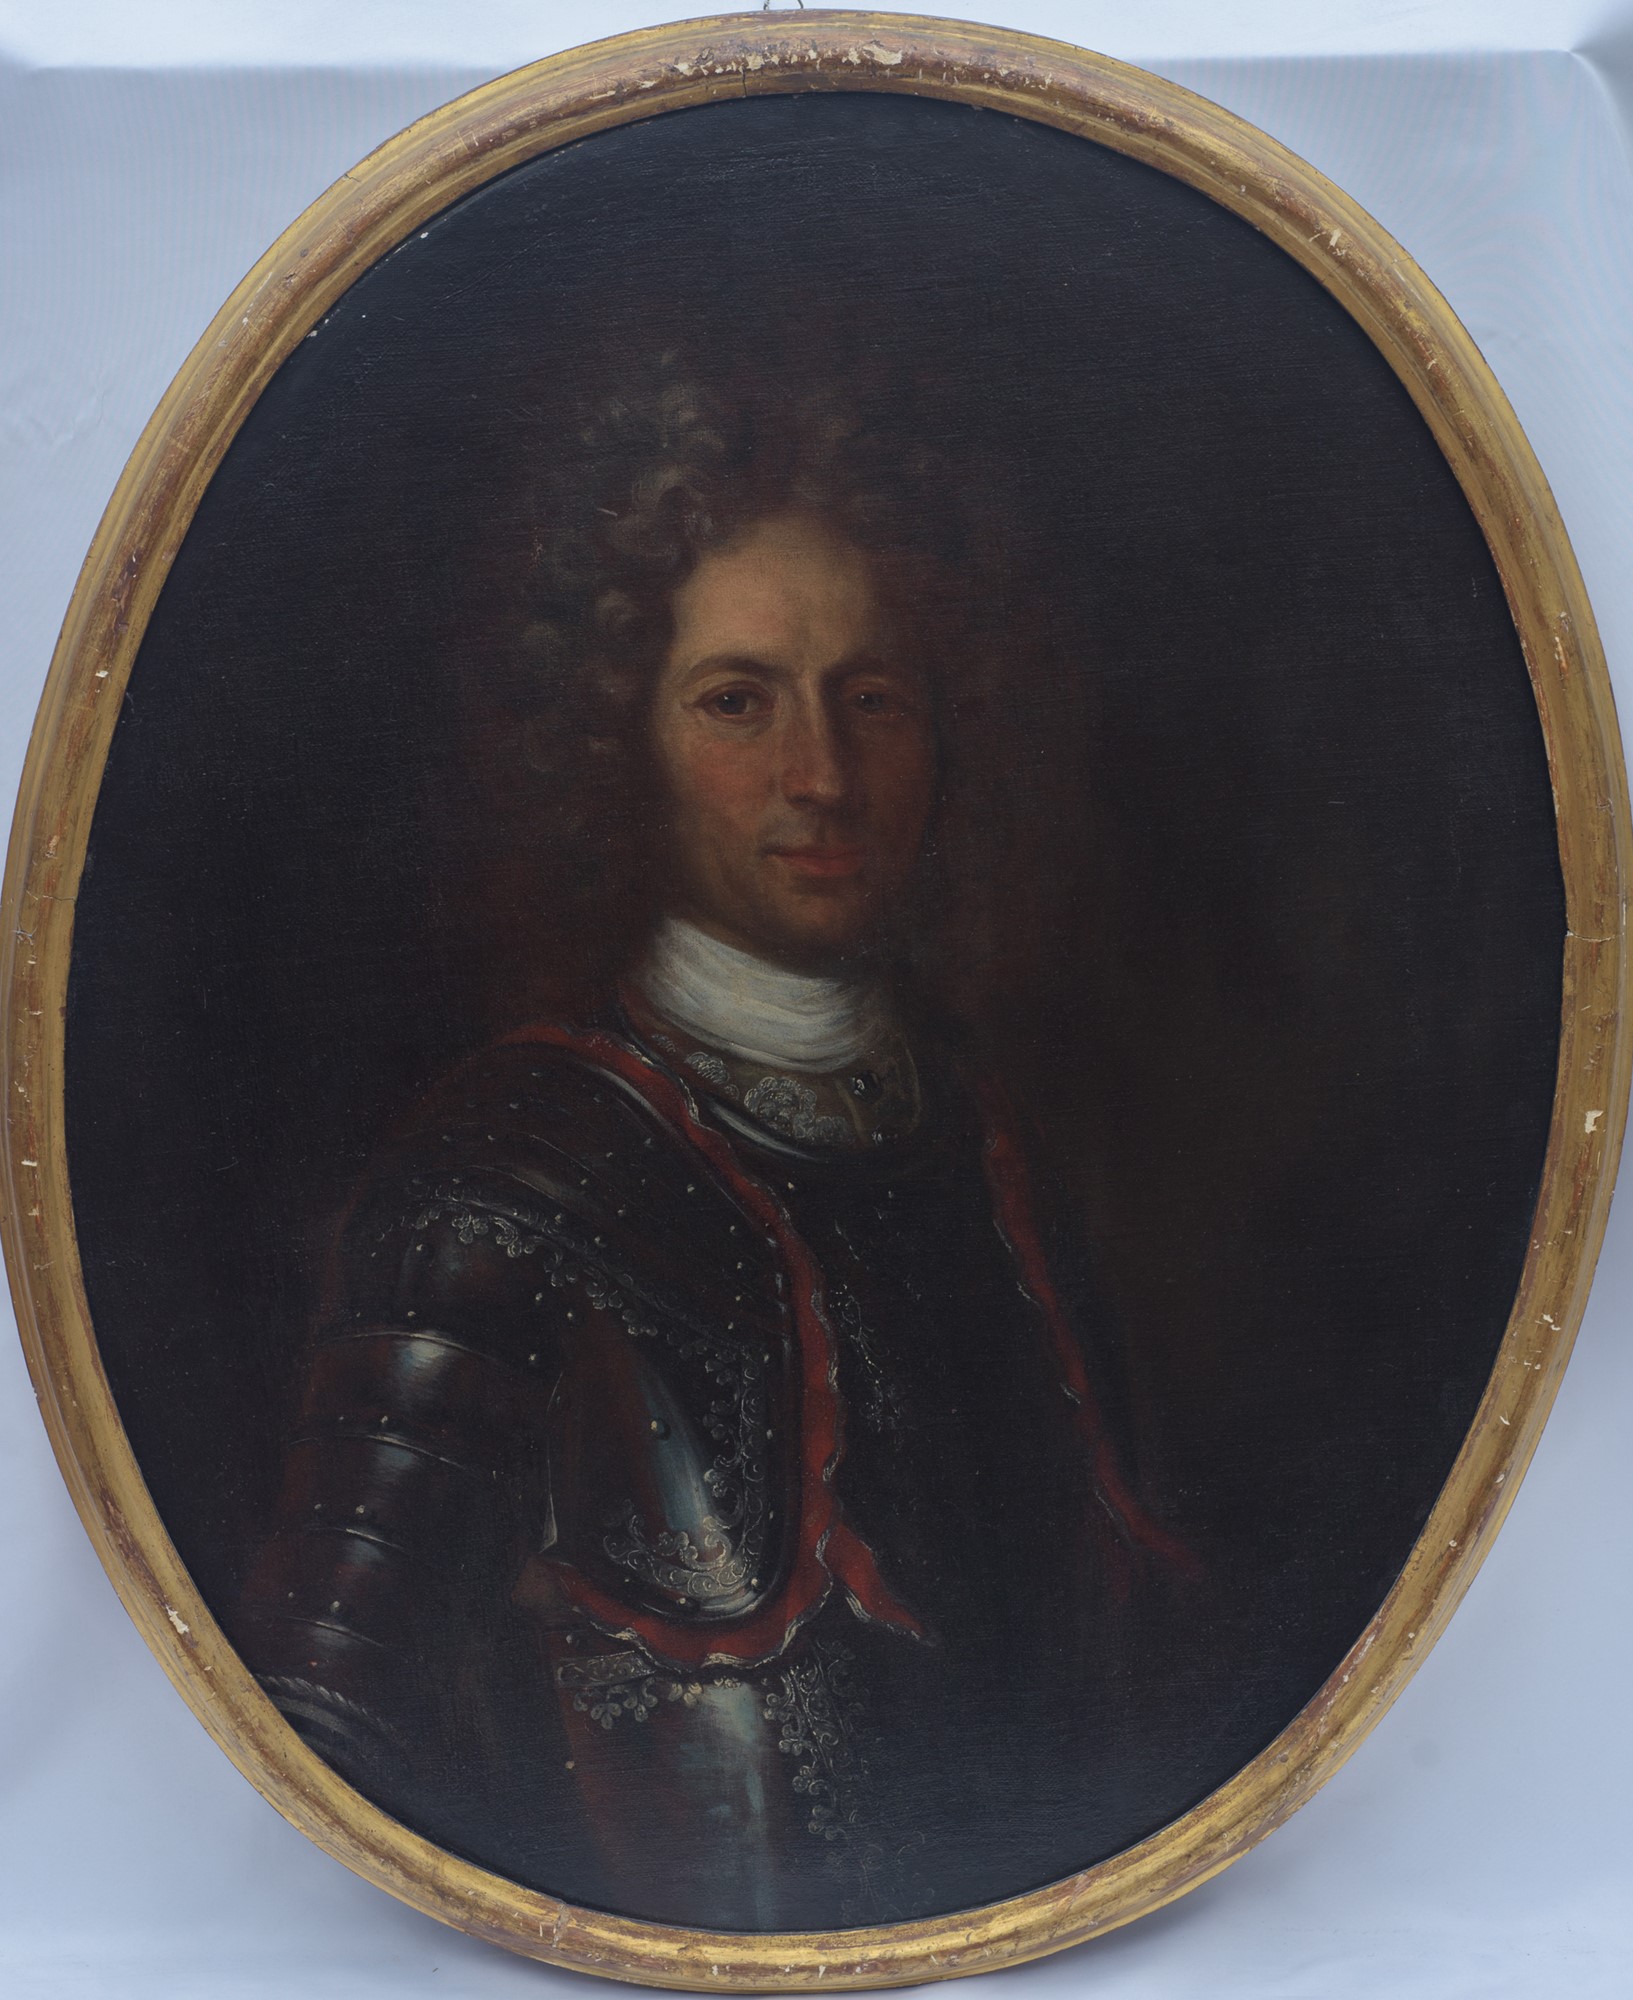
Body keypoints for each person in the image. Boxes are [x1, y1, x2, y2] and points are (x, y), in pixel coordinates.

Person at [234, 372, 1189, 1929]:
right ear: (615, 738)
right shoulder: (504, 1180)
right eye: (737, 701)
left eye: (871, 698)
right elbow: (326, 1737)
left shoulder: (1000, 1164)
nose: (821, 775)